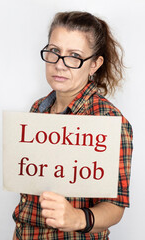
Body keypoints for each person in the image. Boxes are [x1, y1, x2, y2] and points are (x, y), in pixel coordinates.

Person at [12, 11, 133, 240]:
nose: (60, 65)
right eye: (55, 52)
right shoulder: (38, 109)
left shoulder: (108, 121)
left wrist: (76, 218)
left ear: (94, 64)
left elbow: (115, 206)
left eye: (74, 56)